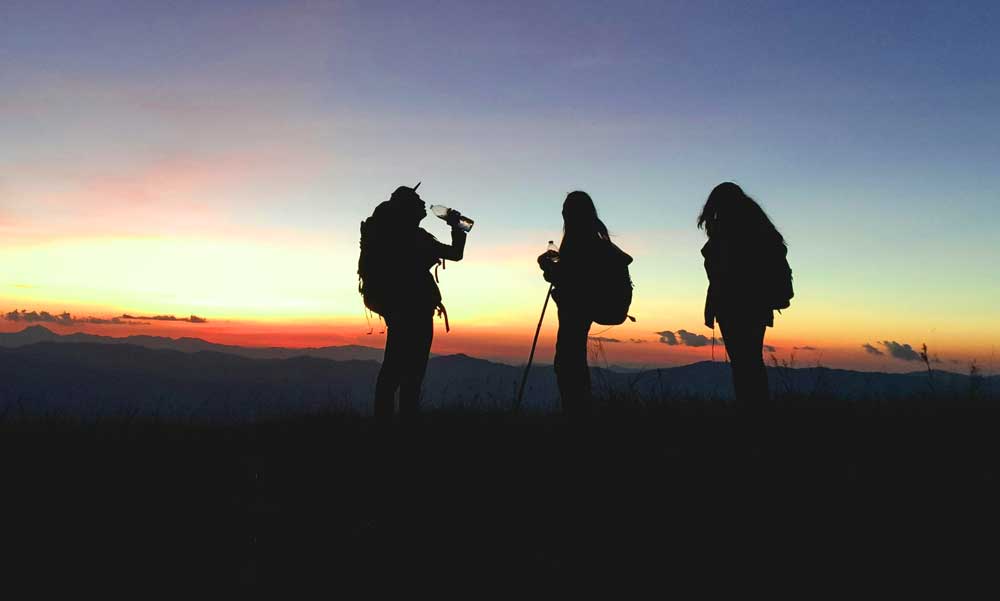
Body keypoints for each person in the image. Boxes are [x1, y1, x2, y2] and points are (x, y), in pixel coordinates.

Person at [360, 184, 468, 423]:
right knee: (411, 372)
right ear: (407, 208)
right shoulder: (413, 236)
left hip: (398, 309)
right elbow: (455, 254)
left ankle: (384, 422)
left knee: (393, 369)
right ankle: (404, 423)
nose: (423, 204)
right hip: (415, 310)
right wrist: (457, 225)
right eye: (417, 201)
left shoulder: (392, 234)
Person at [538, 191, 632, 419]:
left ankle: (577, 416)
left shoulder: (581, 244)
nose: (563, 215)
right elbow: (573, 277)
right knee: (571, 359)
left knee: (568, 361)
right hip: (588, 306)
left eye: (566, 211)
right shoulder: (595, 242)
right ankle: (580, 414)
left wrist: (548, 268)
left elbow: (574, 279)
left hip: (578, 309)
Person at [699, 182, 789, 412]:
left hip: (734, 305)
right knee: (750, 360)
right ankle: (756, 408)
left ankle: (750, 410)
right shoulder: (756, 227)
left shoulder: (728, 230)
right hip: (756, 305)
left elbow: (721, 275)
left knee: (743, 362)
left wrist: (713, 307)